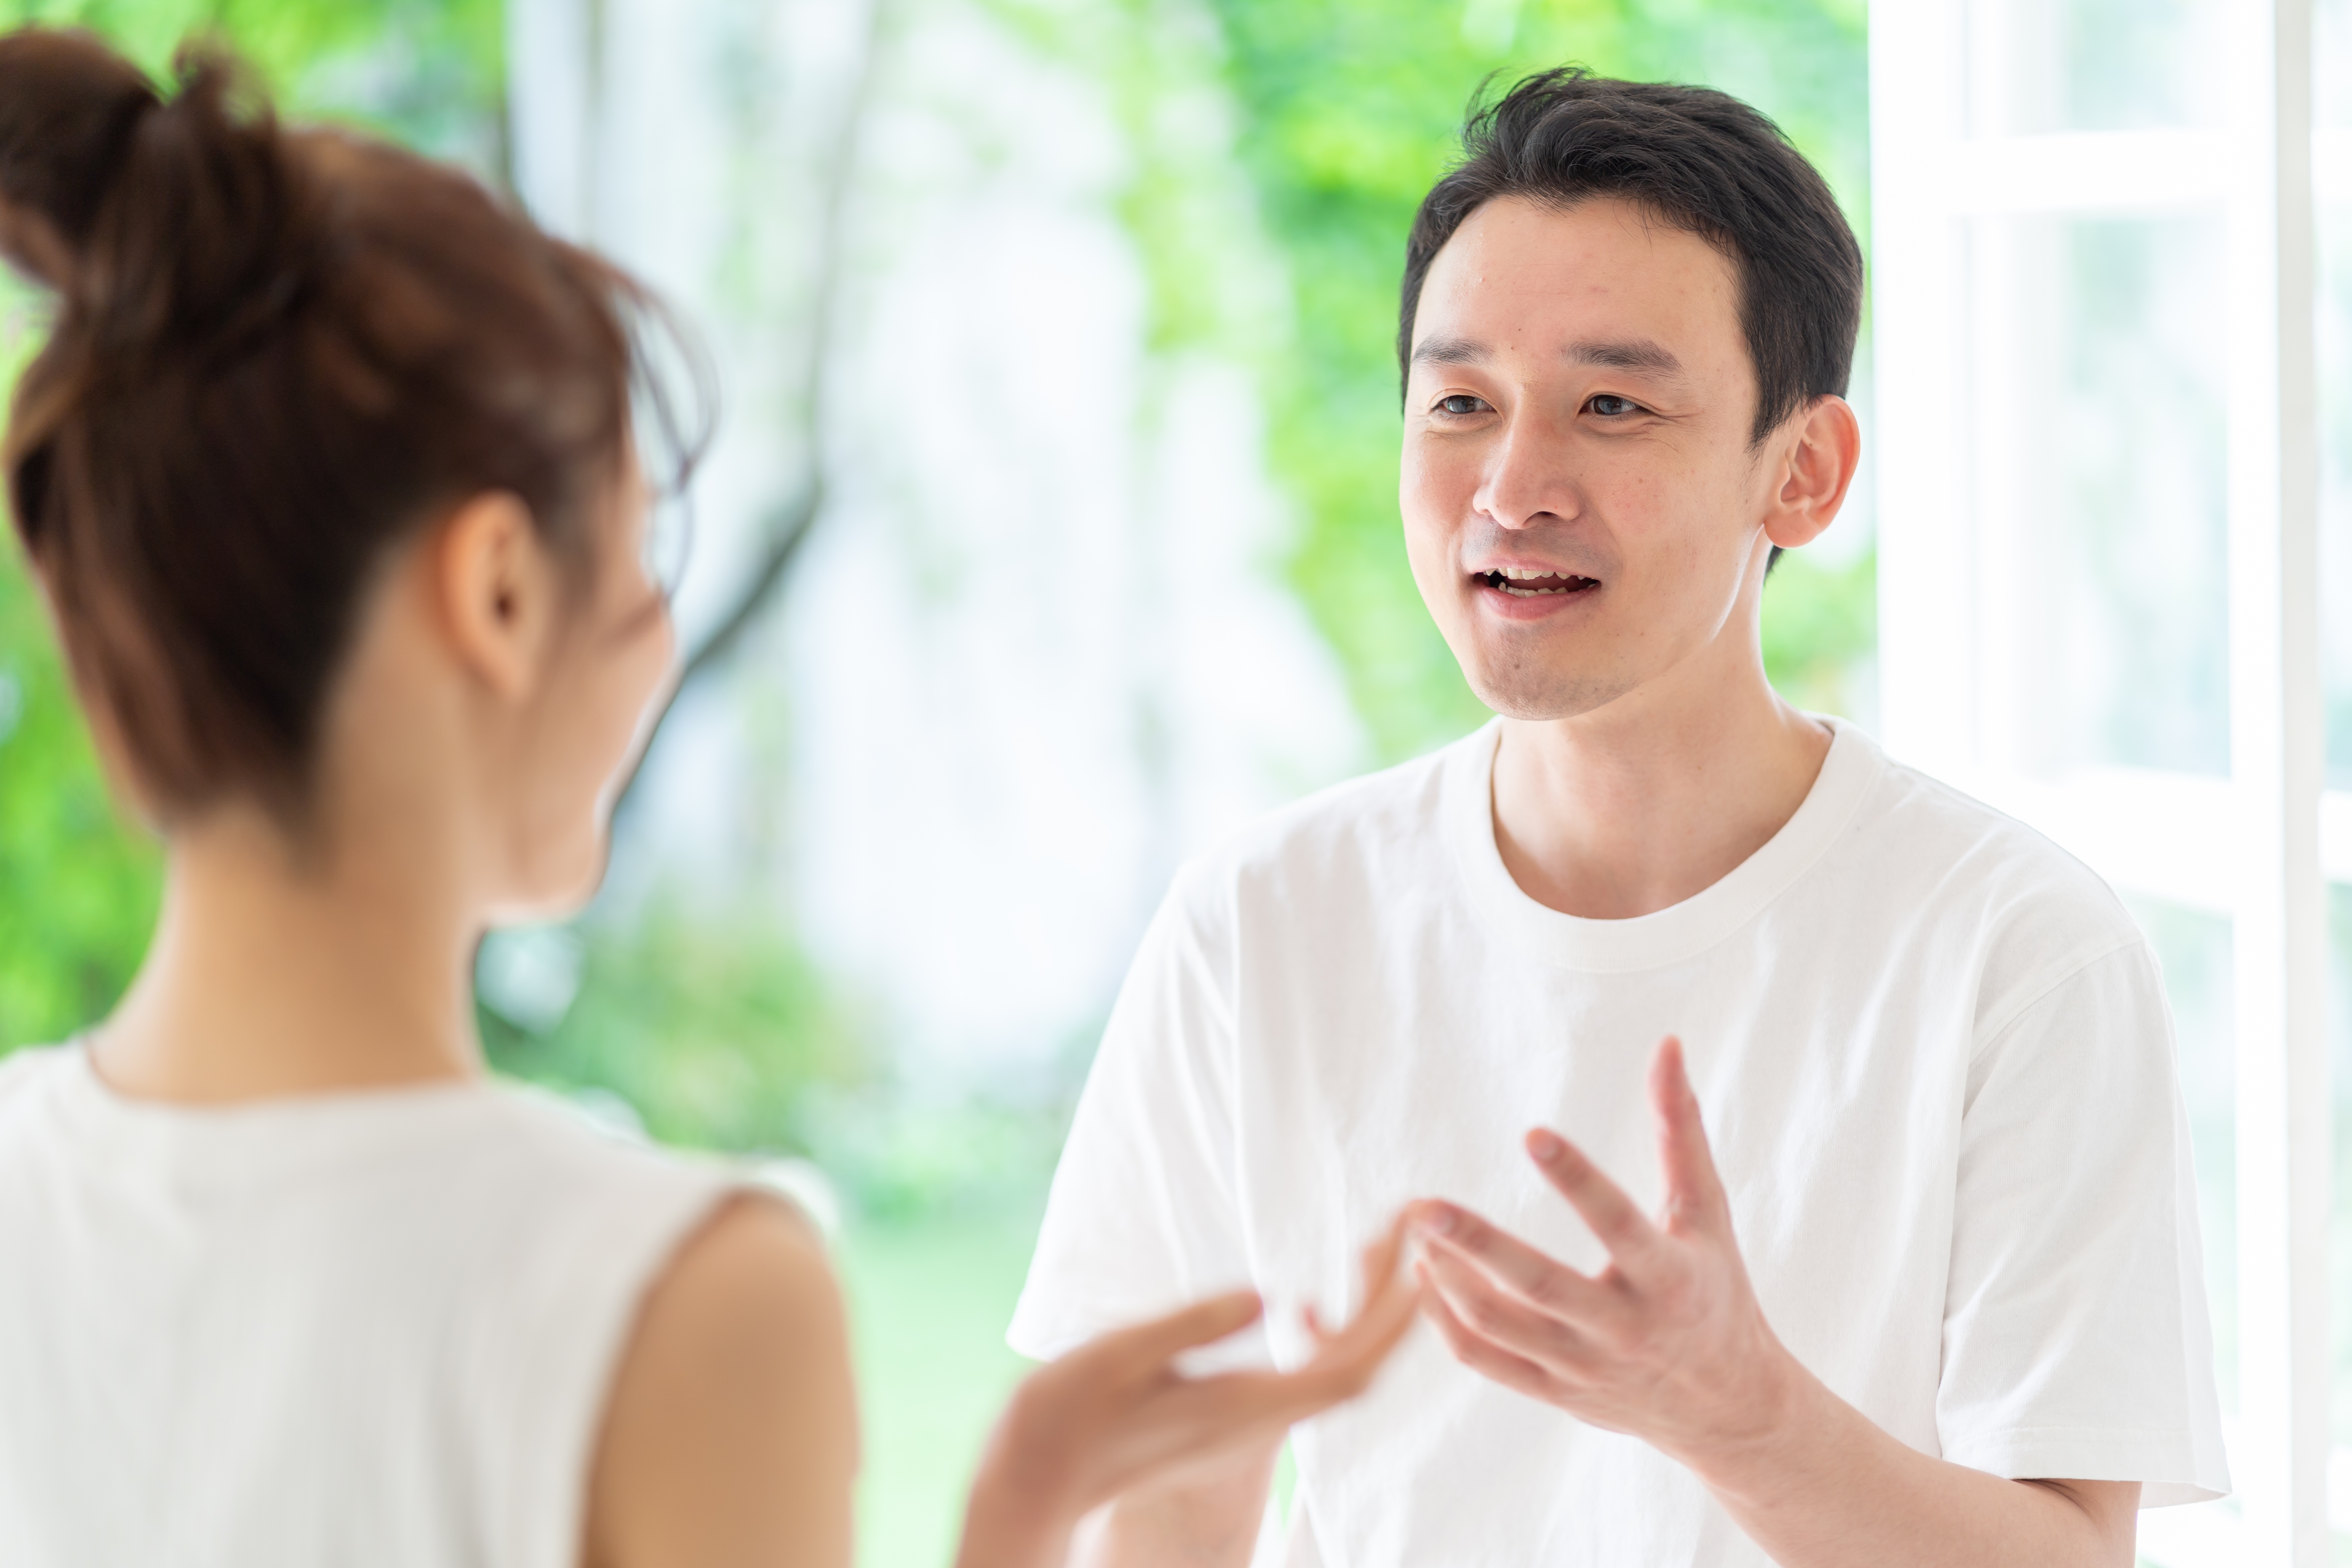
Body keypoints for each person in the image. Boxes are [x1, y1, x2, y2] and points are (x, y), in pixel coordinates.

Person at [0, 28, 1422, 1568]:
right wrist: (1022, 1508)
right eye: (638, 563)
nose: (659, 641)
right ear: (494, 592)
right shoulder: (676, 1294)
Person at [1010, 68, 2229, 1568]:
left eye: (1611, 406)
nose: (1512, 487)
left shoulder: (2015, 950)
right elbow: (1169, 1499)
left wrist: (1745, 1421)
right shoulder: (1263, 922)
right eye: (1460, 403)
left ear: (1801, 473)